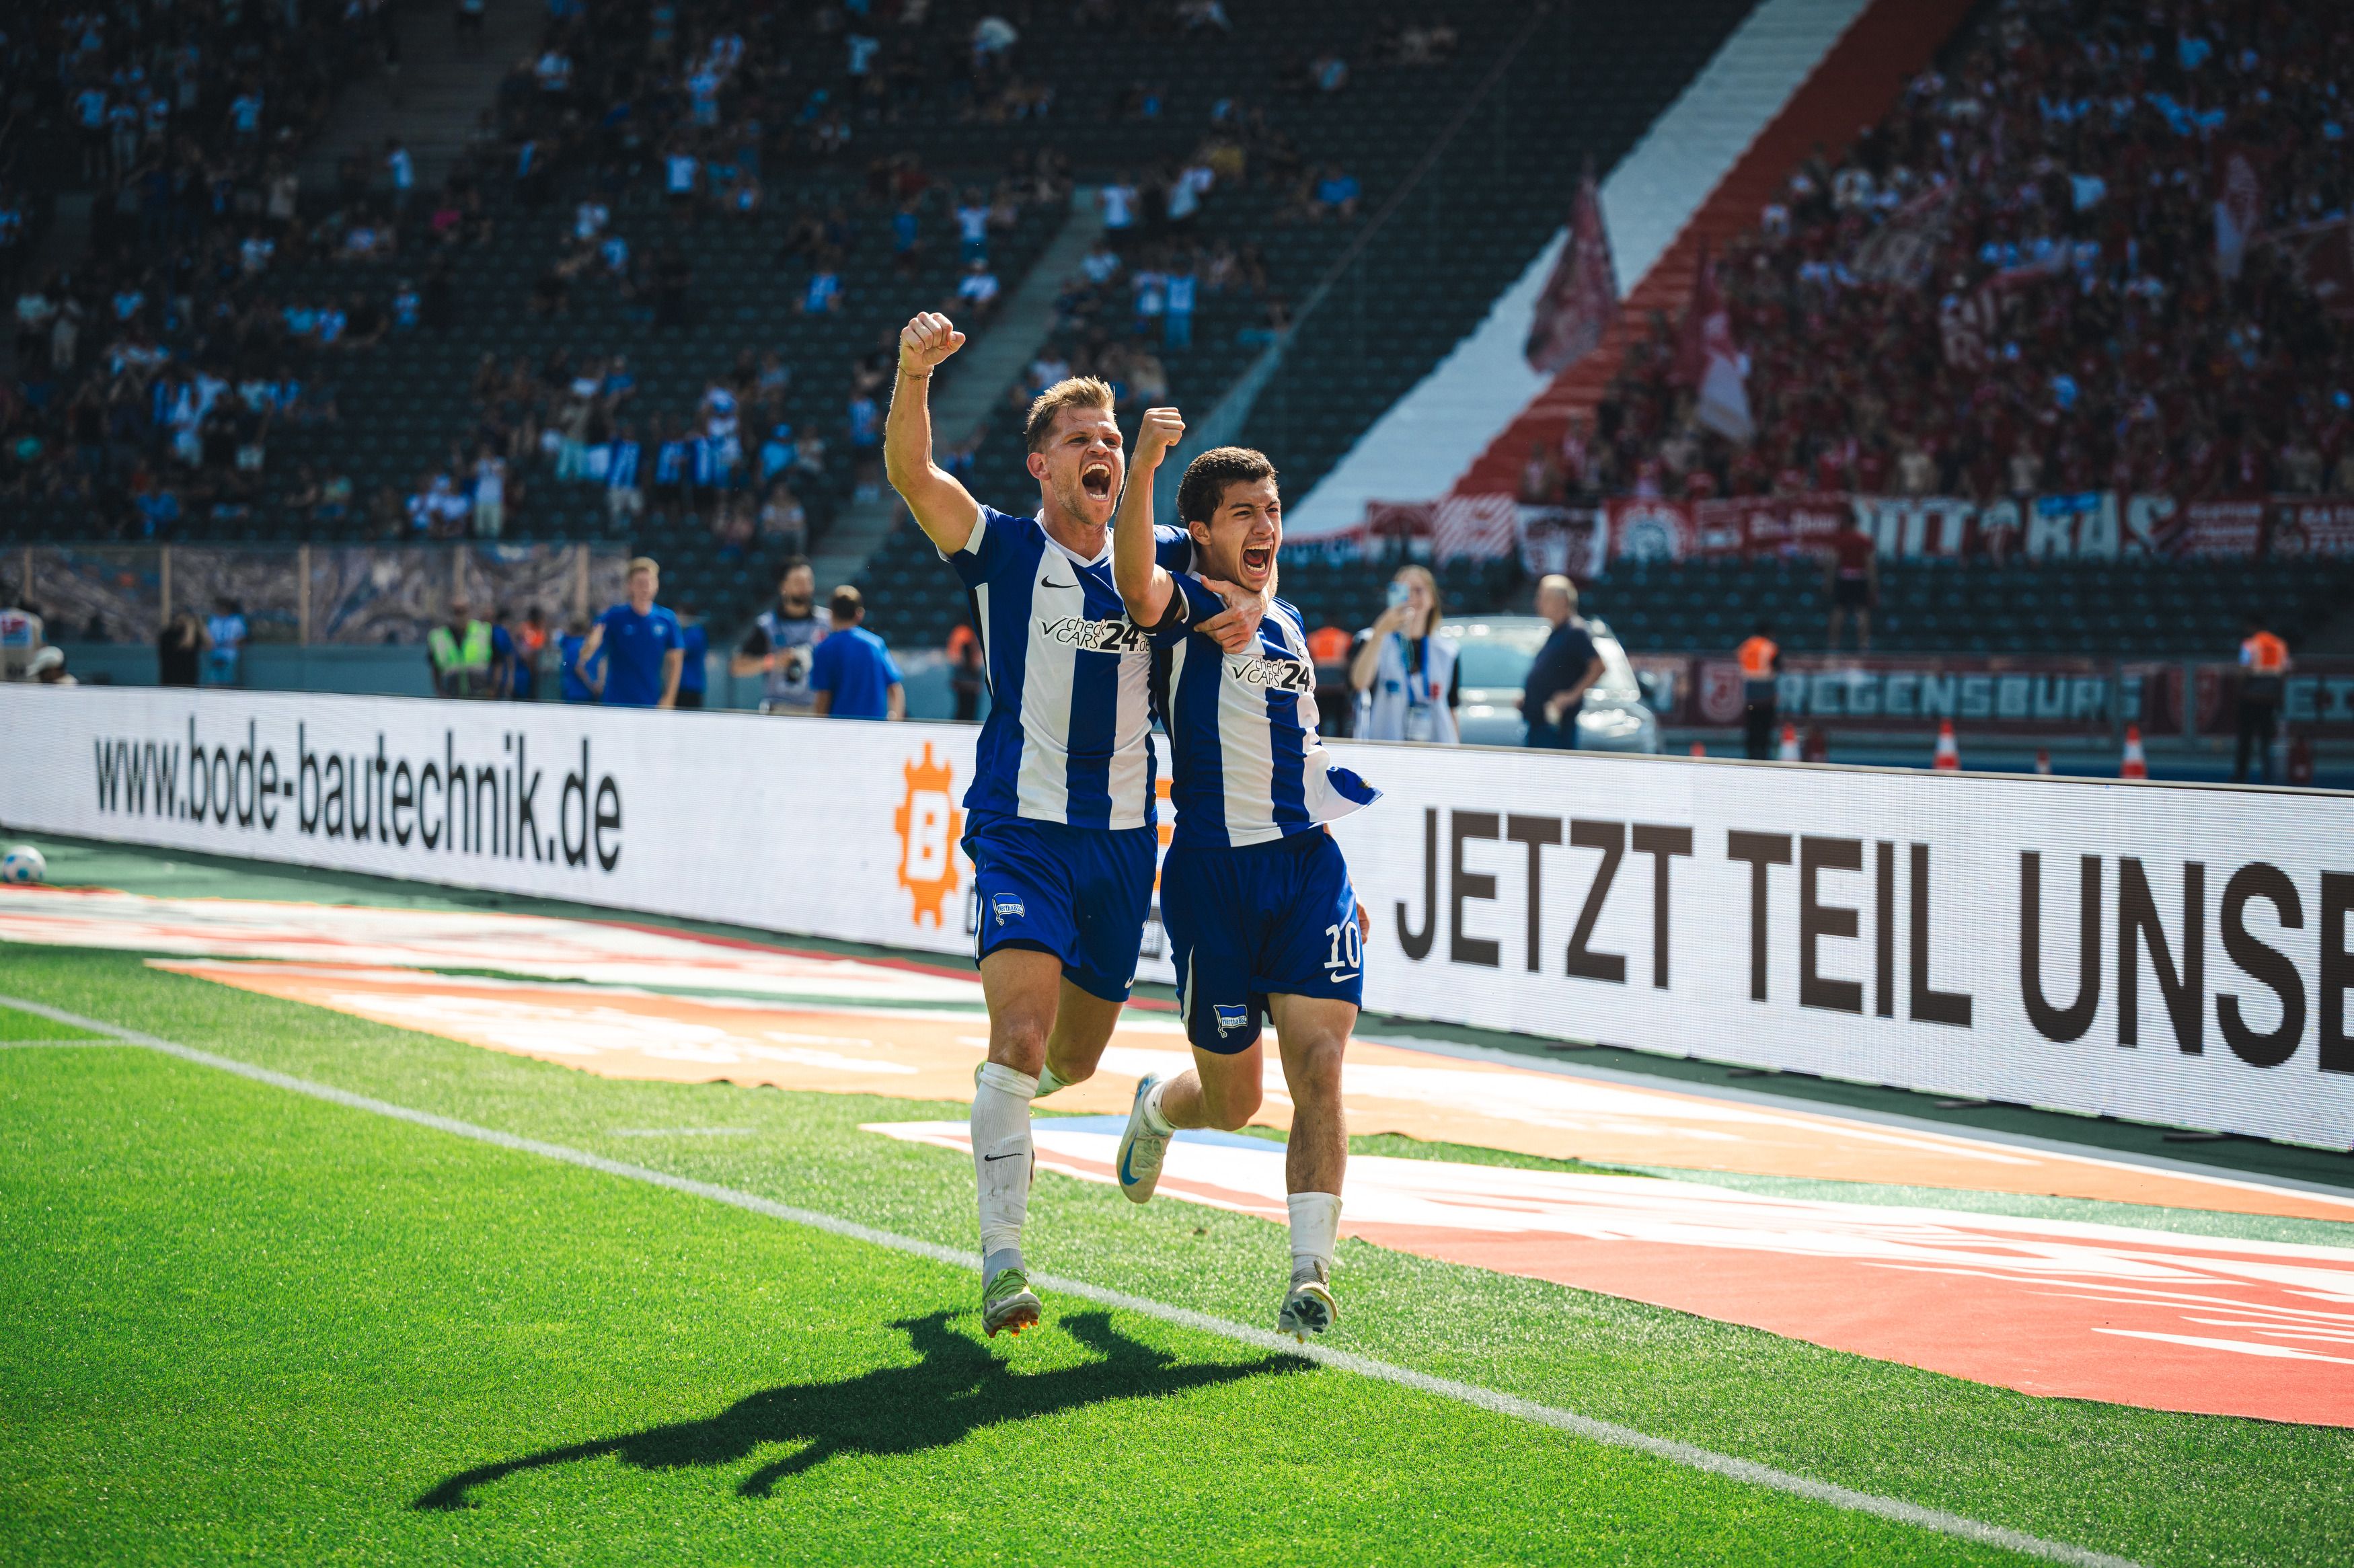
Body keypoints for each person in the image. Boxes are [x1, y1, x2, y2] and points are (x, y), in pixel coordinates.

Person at [884, 309, 1261, 1340]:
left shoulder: (1157, 548)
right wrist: (915, 373)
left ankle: (1022, 1093)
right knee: (1018, 1037)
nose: (1103, 451)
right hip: (1021, 829)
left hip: (1123, 844)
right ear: (1042, 467)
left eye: (1110, 438)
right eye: (1083, 442)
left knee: (1078, 1060)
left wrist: (1242, 596)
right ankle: (1004, 1259)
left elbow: (1242, 551)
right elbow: (916, 477)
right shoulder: (1003, 548)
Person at [1109, 412, 1377, 1342]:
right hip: (1214, 877)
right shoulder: (1185, 605)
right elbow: (1134, 576)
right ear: (1203, 530)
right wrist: (1147, 467)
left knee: (1322, 1068)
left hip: (1308, 873)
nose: (1264, 527)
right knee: (1235, 1102)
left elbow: (1301, 750)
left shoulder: (1290, 618)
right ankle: (1159, 1104)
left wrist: (1347, 886)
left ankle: (1312, 1274)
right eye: (1241, 514)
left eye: (1271, 510)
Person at [1347, 564, 1457, 742]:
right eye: (1403, 591)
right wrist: (1380, 630)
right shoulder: (1370, 639)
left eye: (1419, 590)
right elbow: (1360, 683)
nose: (1411, 597)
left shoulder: (1447, 651)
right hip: (1385, 750)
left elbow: (1452, 709)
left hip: (1436, 753)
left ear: (1433, 599)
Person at [578, 557, 683, 708]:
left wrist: (669, 698)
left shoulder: (667, 620)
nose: (645, 587)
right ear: (630, 586)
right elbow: (586, 654)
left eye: (649, 582)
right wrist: (590, 645)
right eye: (640, 583)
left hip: (650, 702)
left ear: (656, 585)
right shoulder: (614, 617)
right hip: (616, 702)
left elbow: (675, 660)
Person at [730, 558, 828, 713]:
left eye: (808, 581)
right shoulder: (767, 625)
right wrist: (773, 661)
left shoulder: (827, 623)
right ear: (783, 586)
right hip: (778, 710)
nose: (805, 587)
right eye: (798, 582)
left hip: (815, 711)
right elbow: (737, 667)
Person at [1519, 574, 1605, 750]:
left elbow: (1598, 667)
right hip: (1540, 723)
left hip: (1555, 728)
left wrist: (1571, 696)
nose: (1538, 603)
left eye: (1544, 598)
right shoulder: (1558, 631)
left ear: (1562, 601)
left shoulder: (1576, 631)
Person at [806, 587, 903, 719]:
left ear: (831, 614)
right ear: (860, 614)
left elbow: (823, 696)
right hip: (873, 730)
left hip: (840, 730)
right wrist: (895, 720)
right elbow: (895, 688)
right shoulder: (875, 644)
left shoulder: (825, 648)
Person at [2235, 614, 2289, 784]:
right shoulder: (2280, 645)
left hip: (2250, 698)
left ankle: (2241, 775)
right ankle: (2268, 775)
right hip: (2269, 700)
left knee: (2246, 738)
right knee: (2267, 739)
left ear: (2253, 626)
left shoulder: (2250, 645)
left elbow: (2244, 670)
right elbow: (2285, 672)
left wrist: (2240, 692)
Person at [1824, 520, 1877, 652]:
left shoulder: (1841, 540)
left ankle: (1833, 643)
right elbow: (1870, 563)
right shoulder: (1864, 540)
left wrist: (1829, 582)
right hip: (1860, 578)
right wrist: (1873, 583)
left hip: (1845, 578)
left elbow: (1833, 562)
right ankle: (1864, 644)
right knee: (1862, 611)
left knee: (1839, 610)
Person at [427, 598, 493, 697]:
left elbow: (497, 661)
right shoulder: (440, 636)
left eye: (463, 611)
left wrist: (493, 689)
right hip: (452, 694)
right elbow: (435, 668)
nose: (460, 616)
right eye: (456, 612)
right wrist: (440, 691)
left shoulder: (483, 632)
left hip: (480, 695)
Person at [1735, 620, 1780, 760]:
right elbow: (1777, 667)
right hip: (1766, 690)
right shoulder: (1770, 647)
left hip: (1750, 692)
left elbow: (1740, 662)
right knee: (1765, 725)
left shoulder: (1745, 646)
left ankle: (1750, 755)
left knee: (1752, 724)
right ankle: (1763, 755)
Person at [490, 605, 532, 701]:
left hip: (509, 679)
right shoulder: (501, 633)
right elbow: (505, 657)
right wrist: (510, 679)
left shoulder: (498, 632)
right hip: (505, 679)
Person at [557, 614, 602, 703]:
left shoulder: (571, 646)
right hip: (586, 693)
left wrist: (592, 685)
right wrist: (595, 686)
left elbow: (578, 668)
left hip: (574, 693)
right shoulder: (588, 645)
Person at [204, 597, 248, 686]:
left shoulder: (236, 620)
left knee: (229, 679)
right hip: (215, 653)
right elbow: (207, 635)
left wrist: (233, 643)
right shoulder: (214, 620)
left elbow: (243, 635)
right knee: (214, 678)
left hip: (230, 654)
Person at [947, 619, 984, 722]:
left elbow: (977, 661)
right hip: (964, 680)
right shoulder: (961, 633)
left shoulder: (976, 634)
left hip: (971, 681)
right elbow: (955, 657)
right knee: (963, 711)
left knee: (971, 712)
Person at [157, 611, 206, 687]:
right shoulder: (168, 634)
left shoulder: (191, 633)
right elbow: (187, 645)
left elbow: (209, 645)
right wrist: (190, 626)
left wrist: (201, 626)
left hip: (190, 679)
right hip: (172, 679)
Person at [674, 611, 709, 710]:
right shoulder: (688, 632)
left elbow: (680, 652)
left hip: (690, 686)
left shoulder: (695, 632)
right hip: (683, 686)